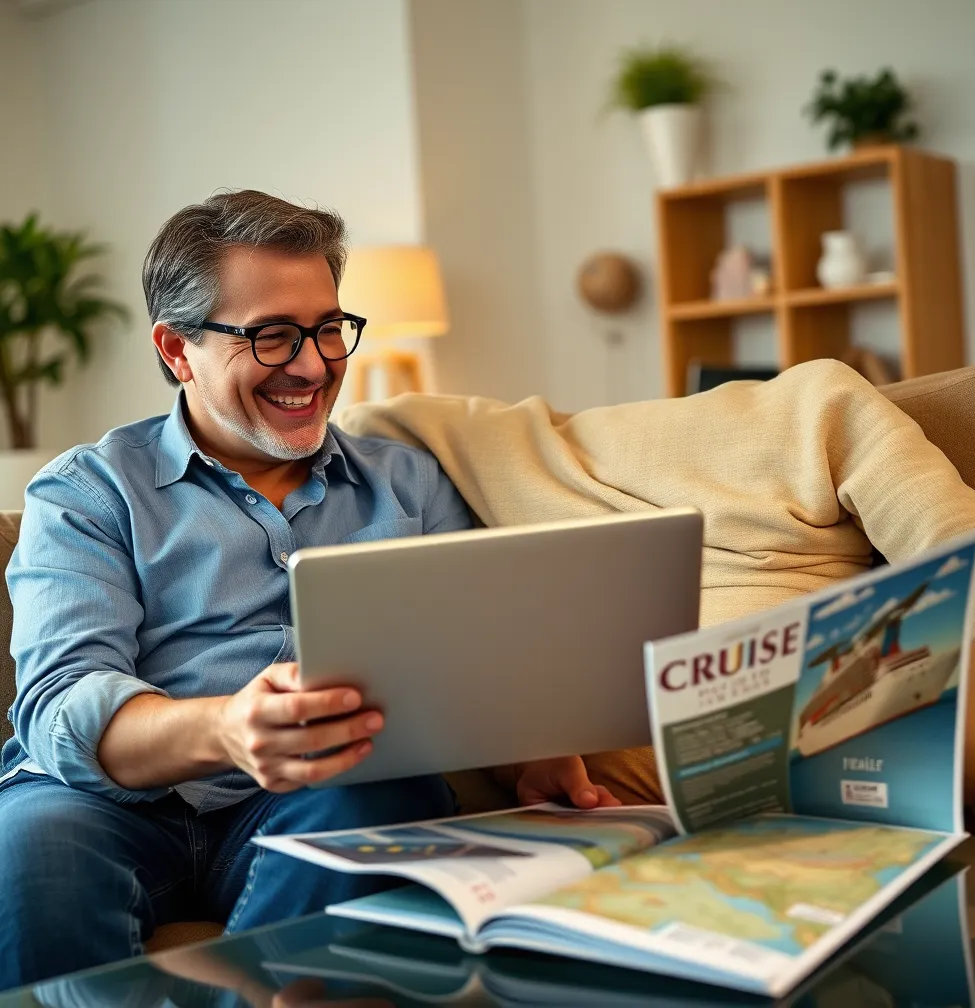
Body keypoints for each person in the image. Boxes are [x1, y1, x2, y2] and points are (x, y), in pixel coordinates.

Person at [0, 190, 618, 990]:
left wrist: (522, 747)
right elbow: (60, 703)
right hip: (100, 805)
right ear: (178, 349)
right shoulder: (88, 493)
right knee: (29, 857)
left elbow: (472, 657)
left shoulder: (410, 484)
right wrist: (226, 727)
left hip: (316, 796)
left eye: (329, 328)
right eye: (272, 336)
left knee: (387, 795)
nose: (315, 364)